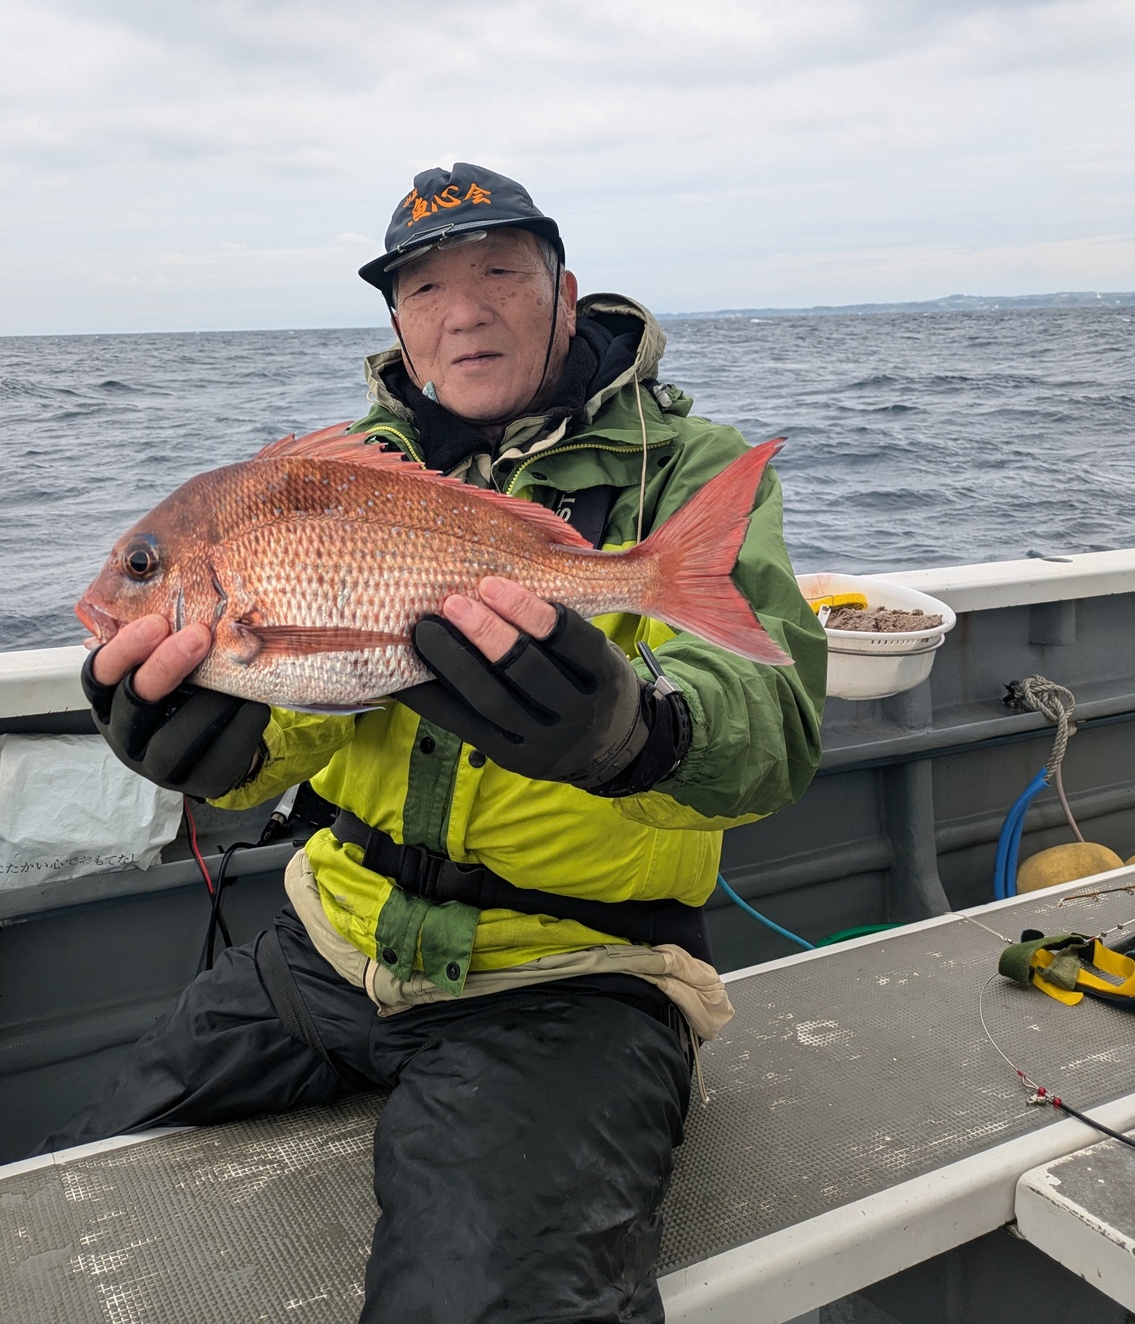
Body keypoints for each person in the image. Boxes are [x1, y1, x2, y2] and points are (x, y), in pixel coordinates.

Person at [60, 163, 826, 1323]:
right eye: (422, 289)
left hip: (573, 975)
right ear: (398, 325)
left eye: (498, 272)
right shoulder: (319, 481)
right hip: (329, 944)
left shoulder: (682, 466)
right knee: (71, 1182)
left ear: (564, 292)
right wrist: (215, 750)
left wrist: (634, 729)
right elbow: (301, 717)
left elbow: (775, 726)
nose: (461, 311)